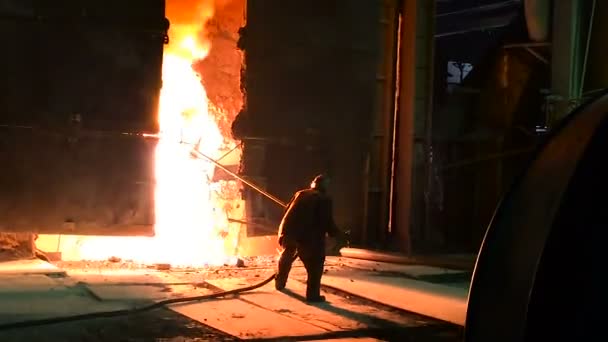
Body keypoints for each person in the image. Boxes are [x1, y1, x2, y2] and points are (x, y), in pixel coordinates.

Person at [275, 174, 342, 302]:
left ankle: (280, 282)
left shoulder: (300, 193)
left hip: (287, 231)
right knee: (315, 264)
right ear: (325, 186)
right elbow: (327, 222)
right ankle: (313, 295)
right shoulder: (324, 198)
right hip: (308, 237)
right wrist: (338, 234)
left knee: (287, 253)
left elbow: (286, 210)